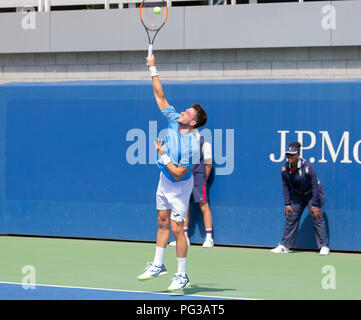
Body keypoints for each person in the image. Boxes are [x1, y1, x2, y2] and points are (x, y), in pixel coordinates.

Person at [137, 54, 208, 291]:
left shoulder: (192, 147)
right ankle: (158, 265)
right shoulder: (174, 118)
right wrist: (152, 68)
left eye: (188, 113)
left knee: (178, 229)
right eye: (185, 110)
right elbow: (160, 96)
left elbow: (178, 173)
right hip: (163, 180)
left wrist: (163, 155)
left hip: (179, 186)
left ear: (194, 122)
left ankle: (182, 274)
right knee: (162, 220)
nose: (184, 113)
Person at [271, 141, 330, 256]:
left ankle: (324, 246)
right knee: (291, 216)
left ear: (298, 155)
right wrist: (287, 204)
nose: (289, 157)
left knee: (316, 216)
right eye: (288, 155)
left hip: (313, 192)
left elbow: (315, 186)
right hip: (298, 194)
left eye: (292, 155)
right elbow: (285, 187)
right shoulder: (284, 169)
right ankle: (285, 246)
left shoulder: (308, 167)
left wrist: (315, 205)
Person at [169, 130, 214, 248]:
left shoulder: (205, 144)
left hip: (199, 180)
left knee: (204, 206)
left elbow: (208, 164)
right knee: (184, 207)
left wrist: (203, 179)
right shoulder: (182, 145)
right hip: (185, 178)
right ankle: (184, 238)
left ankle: (209, 238)